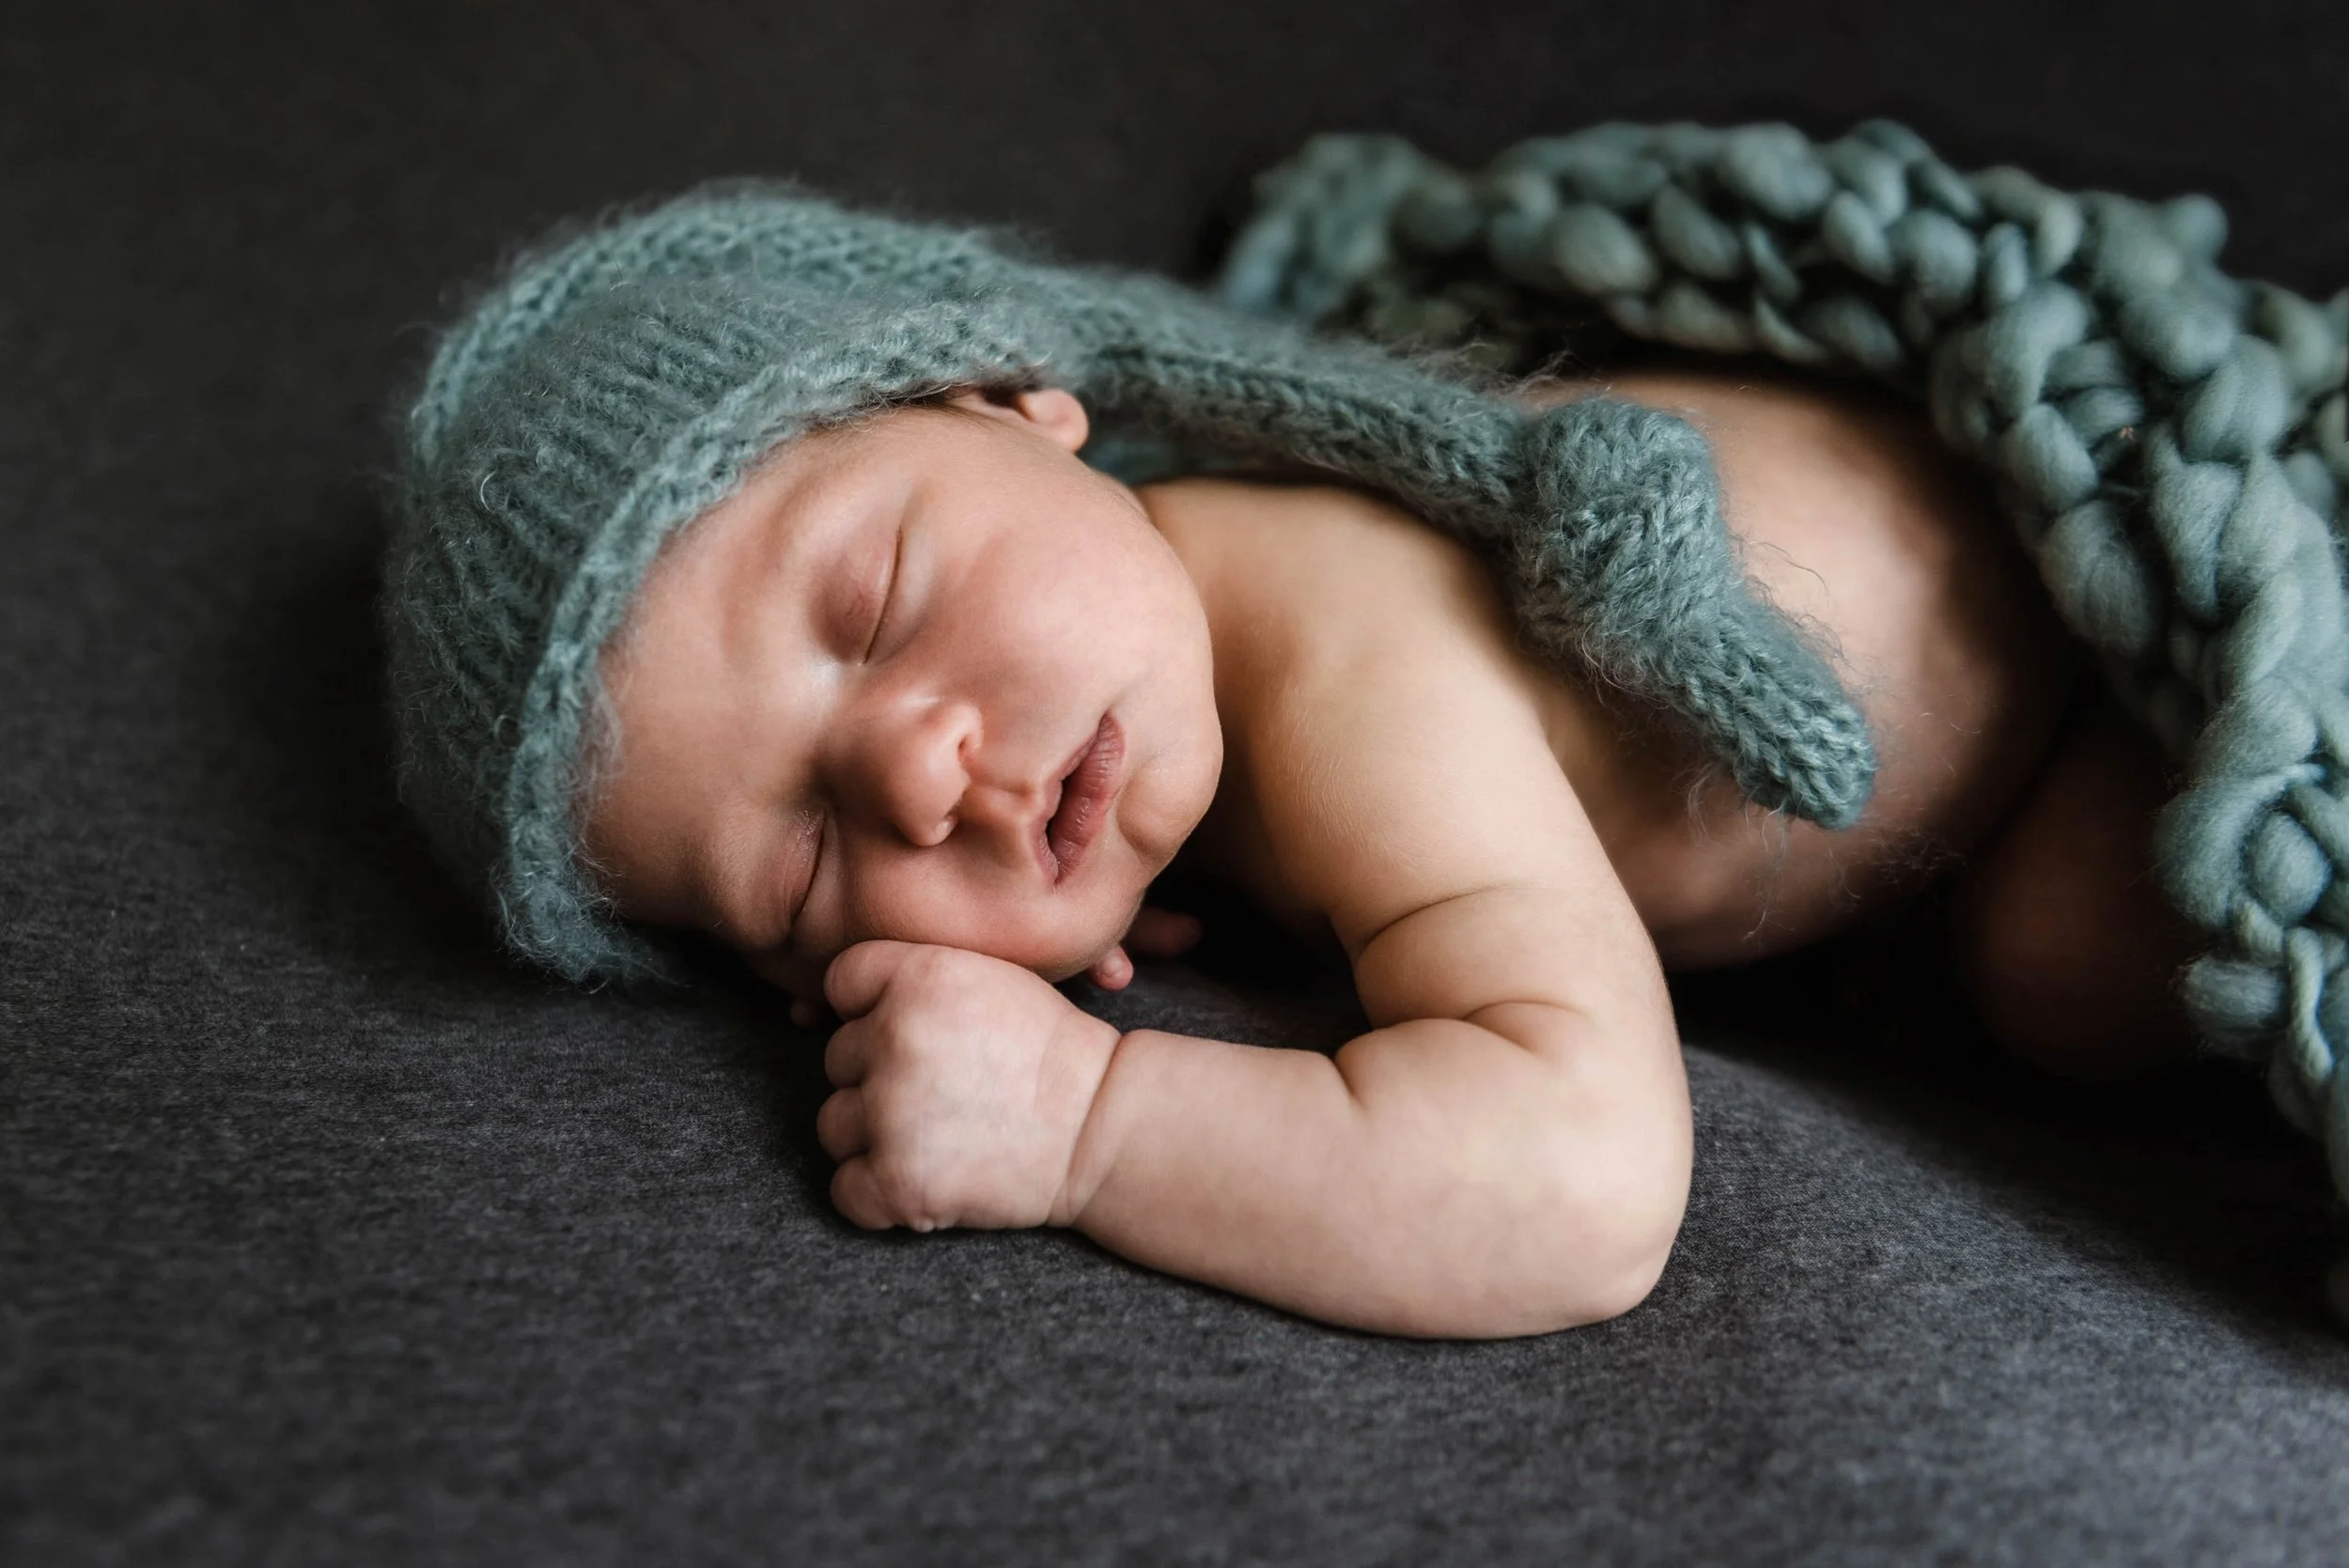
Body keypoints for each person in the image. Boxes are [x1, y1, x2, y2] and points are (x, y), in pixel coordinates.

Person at [389, 190, 2200, 1338]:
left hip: (2095, 610)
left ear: (1025, 407)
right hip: (1939, 810)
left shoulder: (1345, 644)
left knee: (2088, 951)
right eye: (796, 863)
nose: (918, 773)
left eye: (875, 601)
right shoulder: (1162, 698)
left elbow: (1579, 1195)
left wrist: (1084, 1129)